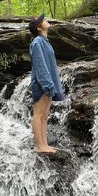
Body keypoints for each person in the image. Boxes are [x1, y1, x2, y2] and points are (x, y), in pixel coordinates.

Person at [29, 13, 65, 154]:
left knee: (45, 115)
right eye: (43, 20)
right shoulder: (37, 42)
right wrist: (47, 85)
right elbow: (40, 65)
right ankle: (39, 146)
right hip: (43, 83)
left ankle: (45, 144)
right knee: (39, 113)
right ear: (38, 28)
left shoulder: (45, 42)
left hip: (49, 83)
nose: (46, 20)